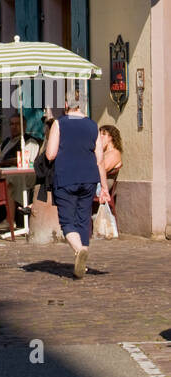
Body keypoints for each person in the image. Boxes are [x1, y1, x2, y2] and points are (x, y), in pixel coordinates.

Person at [45, 98, 111, 277]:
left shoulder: (59, 124)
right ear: (82, 105)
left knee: (67, 221)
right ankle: (83, 264)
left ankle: (79, 249)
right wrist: (104, 187)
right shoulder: (92, 126)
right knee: (83, 219)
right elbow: (100, 160)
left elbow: (50, 154)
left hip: (66, 177)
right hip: (89, 178)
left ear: (66, 105)